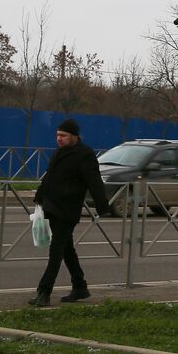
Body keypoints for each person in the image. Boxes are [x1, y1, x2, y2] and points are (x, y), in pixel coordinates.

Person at [30, 119, 109, 307]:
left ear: (75, 136)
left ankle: (44, 291)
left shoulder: (85, 154)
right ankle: (80, 286)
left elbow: (94, 180)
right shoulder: (60, 152)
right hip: (52, 206)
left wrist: (102, 205)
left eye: (63, 135)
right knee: (67, 249)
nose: (59, 139)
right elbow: (49, 176)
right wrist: (39, 196)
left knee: (56, 251)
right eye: (58, 135)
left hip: (68, 210)